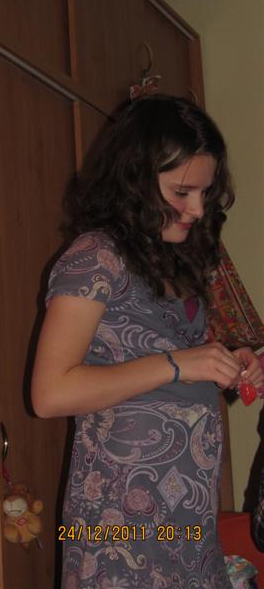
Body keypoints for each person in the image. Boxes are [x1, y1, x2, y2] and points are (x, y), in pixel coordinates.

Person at [31, 94, 264, 588]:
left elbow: (167, 369)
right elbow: (49, 394)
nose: (198, 209)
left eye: (205, 192)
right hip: (118, 528)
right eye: (182, 192)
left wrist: (226, 364)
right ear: (135, 179)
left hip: (188, 525)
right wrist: (179, 363)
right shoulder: (94, 257)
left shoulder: (178, 260)